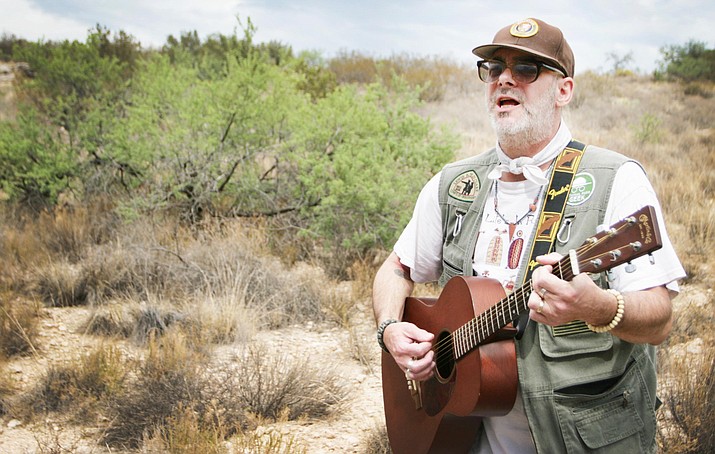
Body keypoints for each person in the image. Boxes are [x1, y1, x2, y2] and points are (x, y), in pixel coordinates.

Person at [372, 17, 685, 453]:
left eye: (526, 69)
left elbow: (660, 319)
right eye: (494, 67)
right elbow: (397, 267)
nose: (504, 78)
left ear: (564, 90)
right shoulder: (454, 183)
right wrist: (389, 329)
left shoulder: (617, 179)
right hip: (467, 434)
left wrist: (597, 307)